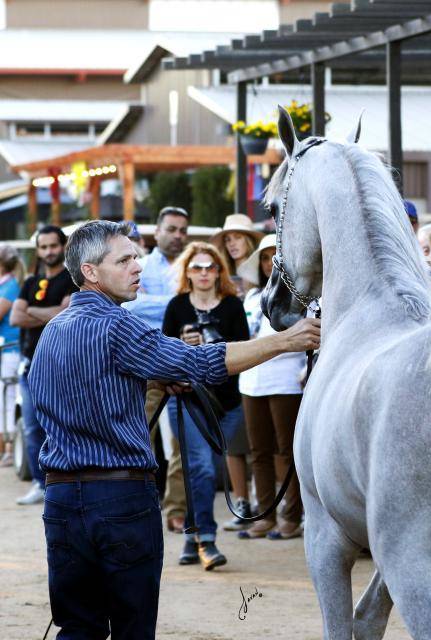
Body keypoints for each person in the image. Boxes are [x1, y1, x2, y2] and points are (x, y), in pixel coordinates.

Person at [29, 220, 320, 640]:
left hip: (60, 501)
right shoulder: (118, 325)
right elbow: (200, 363)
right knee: (133, 628)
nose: (137, 267)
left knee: (78, 627)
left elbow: (49, 405)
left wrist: (146, 378)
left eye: (135, 257)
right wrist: (284, 341)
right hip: (119, 499)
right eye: (125, 259)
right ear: (91, 272)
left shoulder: (52, 332)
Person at [162, 242, 249, 569]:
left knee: (205, 473)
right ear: (186, 272)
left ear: (218, 272)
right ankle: (207, 541)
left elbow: (244, 352)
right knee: (200, 467)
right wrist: (182, 346)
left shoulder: (232, 307)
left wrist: (214, 346)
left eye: (209, 267)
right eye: (196, 267)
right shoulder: (177, 307)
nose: (202, 273)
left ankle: (190, 537)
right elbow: (162, 354)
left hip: (226, 402)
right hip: (187, 399)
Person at [123, 206, 190, 533]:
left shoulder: (195, 265)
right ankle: (141, 506)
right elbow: (131, 306)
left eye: (182, 230)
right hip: (147, 365)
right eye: (172, 229)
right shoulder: (141, 266)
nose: (178, 236)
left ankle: (176, 509)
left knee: (182, 442)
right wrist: (178, 304)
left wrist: (160, 305)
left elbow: (196, 308)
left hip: (182, 364)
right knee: (140, 439)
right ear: (158, 232)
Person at [236, 235, 306, 540]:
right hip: (251, 380)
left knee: (289, 450)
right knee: (258, 451)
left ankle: (291, 516)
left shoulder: (302, 296)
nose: (269, 264)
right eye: (264, 259)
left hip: (287, 379)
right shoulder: (251, 297)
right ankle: (264, 515)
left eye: (274, 257)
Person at [10, 226, 76, 505]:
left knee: (61, 427)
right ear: (37, 250)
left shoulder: (72, 279)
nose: (49, 251)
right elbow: (15, 317)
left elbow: (65, 313)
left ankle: (64, 485)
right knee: (32, 428)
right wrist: (48, 314)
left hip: (60, 364)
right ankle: (40, 483)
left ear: (63, 246)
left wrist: (32, 311)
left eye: (53, 245)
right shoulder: (30, 282)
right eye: (43, 247)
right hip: (29, 364)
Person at [210, 213, 264, 528]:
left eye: (237, 237)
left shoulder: (267, 276)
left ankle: (262, 500)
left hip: (262, 366)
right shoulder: (224, 278)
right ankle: (243, 501)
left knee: (260, 441)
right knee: (234, 440)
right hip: (231, 366)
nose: (232, 244)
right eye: (227, 239)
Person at [0, 244, 24, 467]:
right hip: (6, 349)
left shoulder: (9, 286)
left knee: (9, 398)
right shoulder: (6, 284)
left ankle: (9, 448)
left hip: (11, 349)